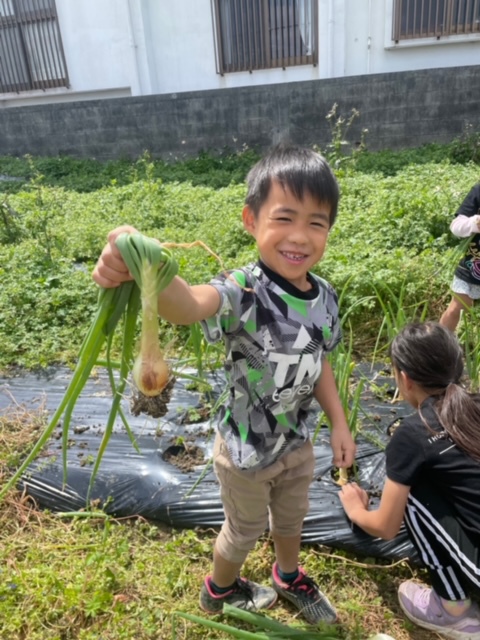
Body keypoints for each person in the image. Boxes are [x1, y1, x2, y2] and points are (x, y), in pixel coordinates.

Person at [92, 144, 356, 624]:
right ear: (250, 221)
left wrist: (339, 422)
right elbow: (191, 304)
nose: (300, 236)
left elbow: (320, 365)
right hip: (244, 453)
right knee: (244, 529)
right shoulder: (243, 289)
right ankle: (220, 589)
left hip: (296, 442)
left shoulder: (326, 298)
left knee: (291, 521)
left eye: (316, 223)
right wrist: (143, 261)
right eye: (284, 218)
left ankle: (288, 574)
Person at [339, 322, 480, 639]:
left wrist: (356, 510)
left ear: (404, 378)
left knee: (414, 492)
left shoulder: (414, 434)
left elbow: (386, 528)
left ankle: (453, 610)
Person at [440, 183, 480, 332]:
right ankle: (437, 345)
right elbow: (456, 227)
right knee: (456, 308)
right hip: (474, 265)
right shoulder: (478, 191)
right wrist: (475, 222)